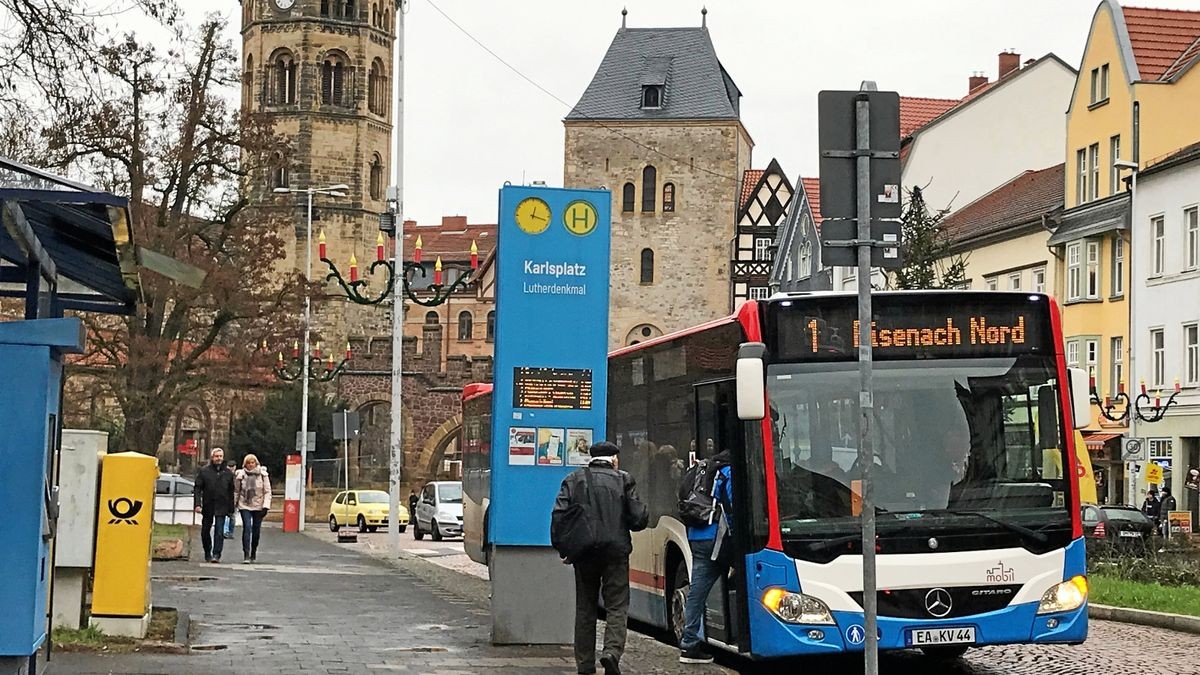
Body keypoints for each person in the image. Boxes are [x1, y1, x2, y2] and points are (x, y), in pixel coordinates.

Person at [551, 441, 648, 675]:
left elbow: (559, 516)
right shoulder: (624, 480)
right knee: (617, 605)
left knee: (585, 607)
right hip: (616, 552)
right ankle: (611, 653)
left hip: (584, 553)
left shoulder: (573, 480)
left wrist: (565, 549)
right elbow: (638, 519)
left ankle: (585, 664)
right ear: (614, 459)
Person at [678, 449, 733, 665]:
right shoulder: (728, 471)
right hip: (717, 538)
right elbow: (733, 506)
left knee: (697, 591)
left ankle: (689, 643)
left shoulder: (704, 469)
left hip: (696, 535)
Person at [193, 447, 235, 563]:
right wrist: (197, 504)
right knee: (205, 530)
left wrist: (231, 508)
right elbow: (197, 488)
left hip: (222, 505)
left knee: (219, 531)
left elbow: (231, 491)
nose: (219, 458)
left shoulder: (228, 473)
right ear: (212, 457)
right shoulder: (204, 471)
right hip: (208, 505)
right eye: (217, 456)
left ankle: (216, 554)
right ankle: (207, 552)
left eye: (221, 456)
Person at [234, 454, 272, 564]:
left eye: (252, 463)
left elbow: (267, 491)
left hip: (259, 505)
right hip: (244, 504)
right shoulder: (240, 475)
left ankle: (253, 552)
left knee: (256, 530)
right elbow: (237, 491)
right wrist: (234, 504)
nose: (250, 465)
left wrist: (266, 506)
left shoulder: (263, 475)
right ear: (245, 464)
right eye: (248, 463)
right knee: (247, 527)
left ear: (256, 463)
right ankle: (246, 554)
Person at [223, 460, 238, 539]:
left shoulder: (237, 477)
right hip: (225, 499)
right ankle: (225, 532)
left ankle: (230, 532)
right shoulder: (224, 475)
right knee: (225, 517)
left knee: (232, 516)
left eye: (232, 467)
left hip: (233, 500)